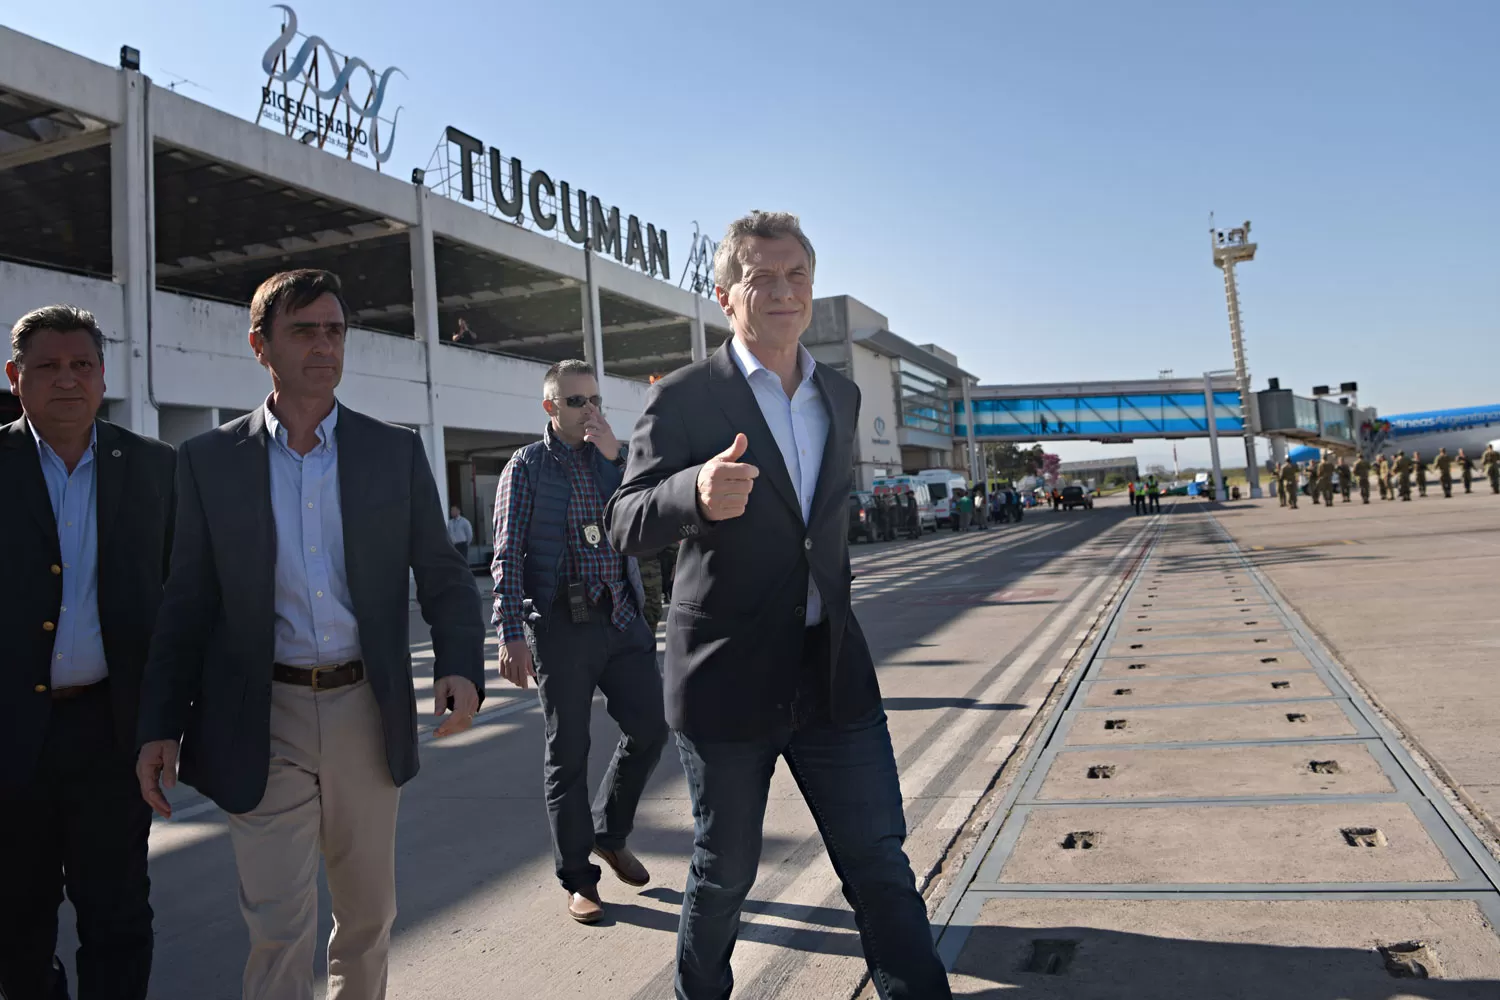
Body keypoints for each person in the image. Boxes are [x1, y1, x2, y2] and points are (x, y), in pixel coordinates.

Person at [605, 211, 952, 1000]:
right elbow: (622, 520)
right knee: (725, 873)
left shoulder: (841, 393)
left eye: (797, 275)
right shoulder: (687, 398)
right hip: (727, 678)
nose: (784, 292)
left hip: (829, 669)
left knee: (879, 862)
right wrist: (689, 493)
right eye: (763, 277)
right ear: (726, 295)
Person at [135, 270, 485, 1000]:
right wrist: (160, 724)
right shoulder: (208, 462)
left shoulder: (392, 453)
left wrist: (460, 665)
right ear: (261, 346)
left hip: (365, 707)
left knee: (367, 916)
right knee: (276, 923)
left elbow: (445, 576)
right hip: (261, 715)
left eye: (334, 330)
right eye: (304, 331)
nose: (324, 345)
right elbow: (187, 601)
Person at [1, 306, 175, 1000]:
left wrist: (170, 720)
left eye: (82, 366)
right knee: (16, 924)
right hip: (11, 739)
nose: (66, 380)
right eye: (47, 367)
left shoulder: (155, 469)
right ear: (16, 378)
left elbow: (183, 603)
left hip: (112, 736)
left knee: (119, 915)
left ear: (104, 378)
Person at [491, 360, 667, 924]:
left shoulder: (614, 460)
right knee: (568, 752)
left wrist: (619, 458)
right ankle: (579, 879)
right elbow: (507, 557)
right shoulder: (526, 467)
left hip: (620, 617)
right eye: (574, 402)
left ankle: (609, 833)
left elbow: (649, 522)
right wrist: (512, 634)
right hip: (562, 627)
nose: (588, 410)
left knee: (652, 726)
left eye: (594, 399)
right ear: (550, 407)